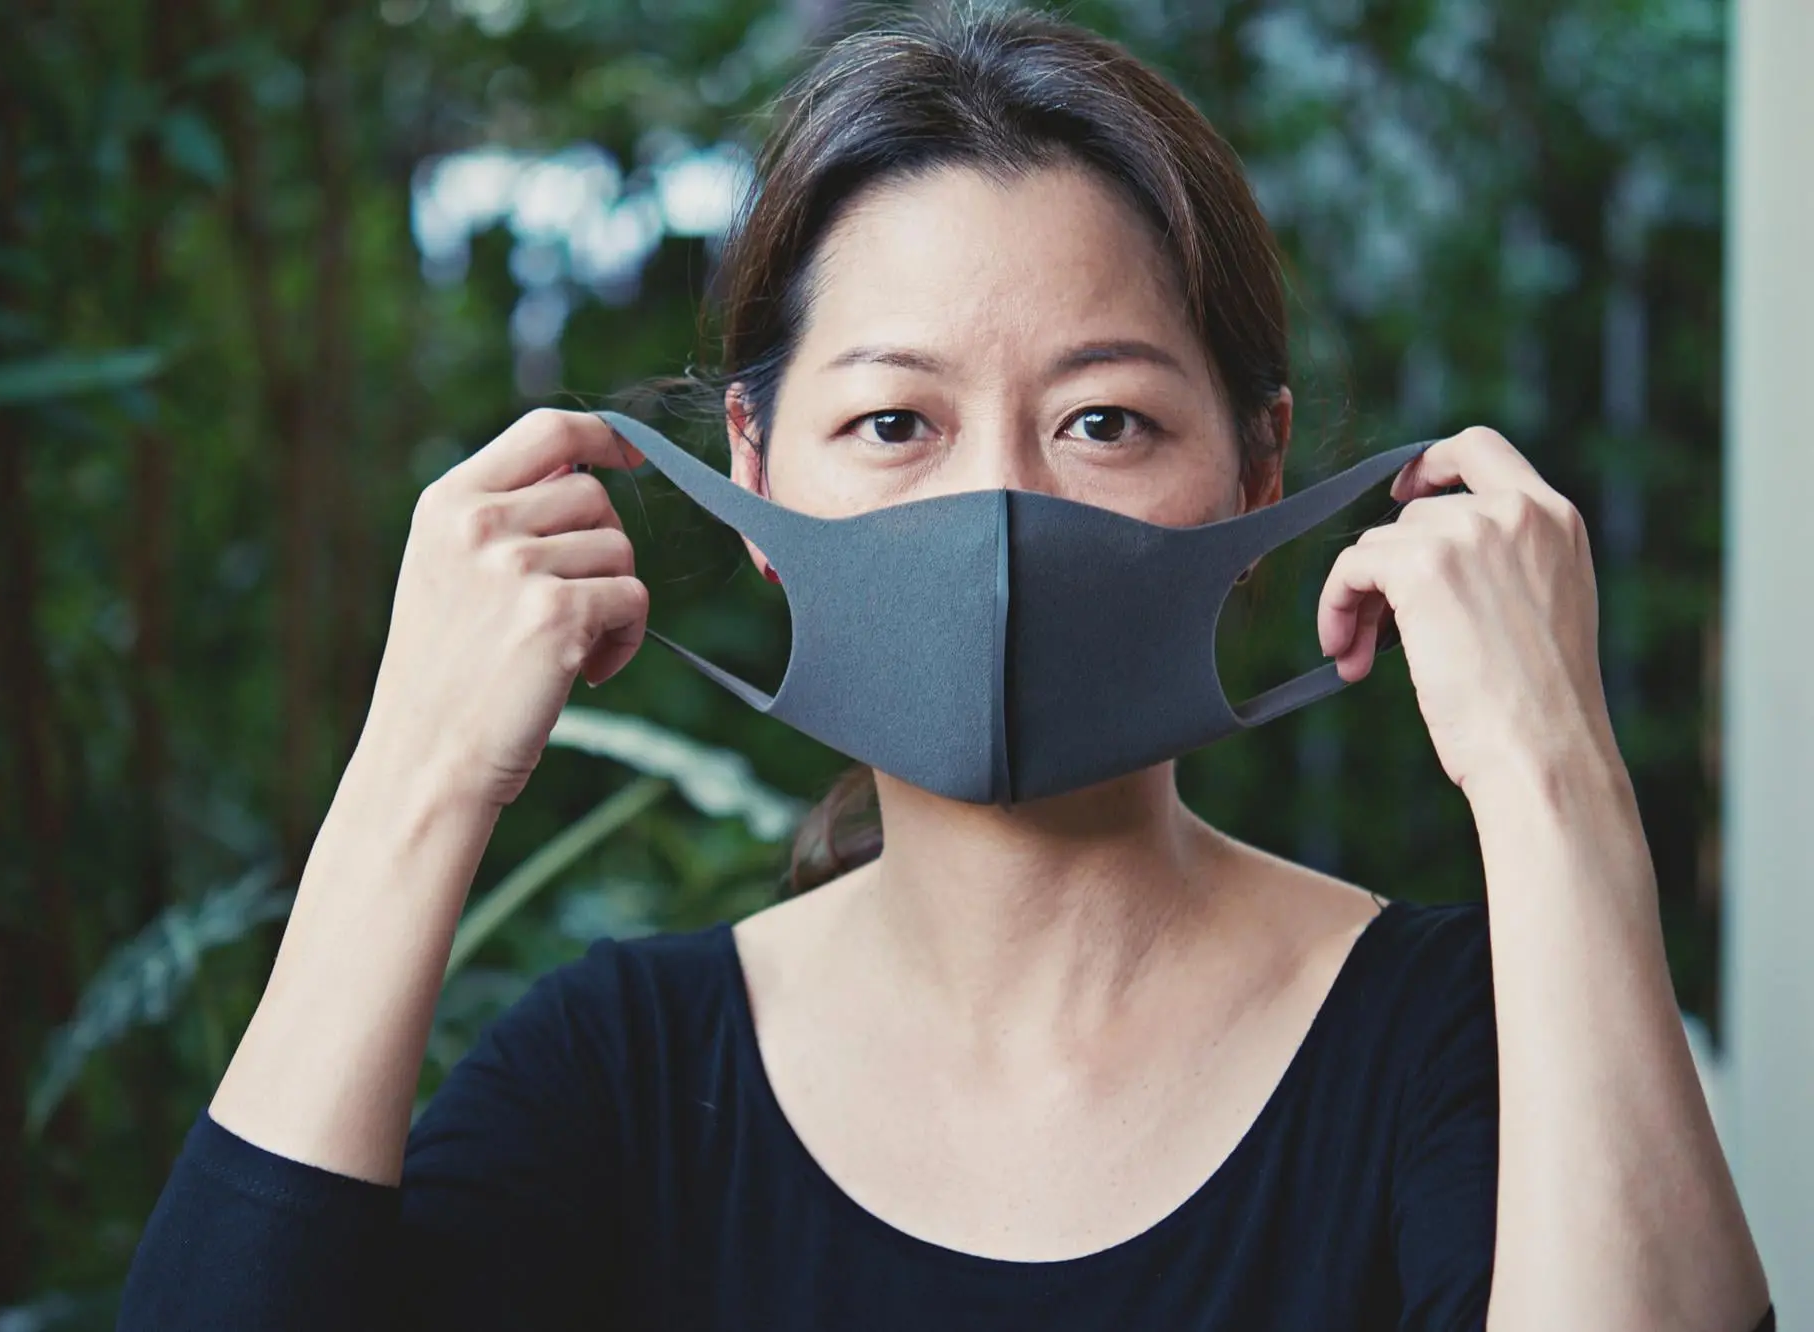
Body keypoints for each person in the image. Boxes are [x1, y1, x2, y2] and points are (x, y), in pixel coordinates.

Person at [117, 6, 1772, 1329]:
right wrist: (415, 775)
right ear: (755, 479)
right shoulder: (617, 1081)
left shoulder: (1449, 1045)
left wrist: (1556, 782)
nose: (997, 512)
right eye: (895, 423)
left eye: (1104, 420)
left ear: (1259, 477)